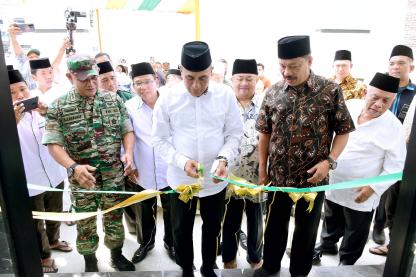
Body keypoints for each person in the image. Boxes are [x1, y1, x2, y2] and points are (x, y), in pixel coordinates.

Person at [254, 35, 355, 277]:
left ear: (309, 61)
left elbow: (343, 132)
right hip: (278, 178)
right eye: (282, 66)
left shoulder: (330, 90)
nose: (287, 72)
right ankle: (270, 266)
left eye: (293, 66)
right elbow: (264, 134)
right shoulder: (272, 92)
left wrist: (329, 162)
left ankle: (300, 271)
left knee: (306, 229)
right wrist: (262, 171)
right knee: (275, 226)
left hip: (313, 179)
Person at [152, 41, 243, 277]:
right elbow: (159, 139)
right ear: (181, 70)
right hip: (181, 179)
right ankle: (186, 268)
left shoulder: (225, 95)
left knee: (213, 227)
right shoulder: (167, 99)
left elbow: (234, 134)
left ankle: (208, 266)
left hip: (215, 178)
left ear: (211, 71)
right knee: (181, 229)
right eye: (190, 77)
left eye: (203, 78)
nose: (196, 85)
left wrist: (223, 158)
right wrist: (182, 161)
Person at [42, 55, 135, 272]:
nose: (91, 83)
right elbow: (53, 144)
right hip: (83, 179)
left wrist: (128, 152)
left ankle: (116, 255)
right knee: (85, 222)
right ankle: (90, 260)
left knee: (114, 217)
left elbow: (126, 129)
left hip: (113, 175)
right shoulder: (59, 107)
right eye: (84, 79)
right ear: (70, 77)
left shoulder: (113, 100)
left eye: (94, 78)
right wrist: (73, 167)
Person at [315, 72, 406, 265]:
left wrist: (374, 188)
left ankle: (347, 261)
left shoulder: (393, 127)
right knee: (331, 218)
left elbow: (396, 166)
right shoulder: (350, 106)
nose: (379, 104)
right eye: (375, 97)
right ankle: (327, 245)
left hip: (363, 190)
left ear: (393, 100)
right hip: (335, 182)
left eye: (386, 101)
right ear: (365, 92)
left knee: (355, 229)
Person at [8, 69, 71, 273]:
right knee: (37, 223)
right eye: (12, 92)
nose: (20, 96)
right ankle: (43, 256)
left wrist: (46, 112)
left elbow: (61, 131)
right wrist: (10, 124)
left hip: (54, 174)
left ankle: (53, 241)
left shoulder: (42, 108)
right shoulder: (6, 119)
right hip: (30, 180)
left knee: (56, 213)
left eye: (22, 89)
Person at [125, 62, 175, 264]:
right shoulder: (129, 107)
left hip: (170, 167)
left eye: (147, 81)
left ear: (156, 80)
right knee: (145, 211)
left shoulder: (171, 102)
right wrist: (128, 161)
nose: (143, 87)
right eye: (138, 83)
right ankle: (146, 243)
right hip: (142, 167)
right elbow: (126, 135)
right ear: (133, 85)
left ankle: (170, 243)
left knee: (172, 210)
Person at [371, 44, 416, 254]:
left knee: (393, 194)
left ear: (411, 67)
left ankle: (385, 230)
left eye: (401, 63)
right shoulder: (381, 89)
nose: (395, 67)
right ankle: (377, 225)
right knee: (374, 186)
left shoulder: (413, 95)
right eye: (392, 63)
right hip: (376, 147)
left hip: (402, 153)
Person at [222, 59, 264, 269]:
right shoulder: (223, 104)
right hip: (230, 174)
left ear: (257, 80)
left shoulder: (266, 104)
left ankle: (255, 257)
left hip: (258, 174)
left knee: (256, 218)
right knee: (230, 217)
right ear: (232, 80)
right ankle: (229, 256)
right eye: (240, 78)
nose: (244, 83)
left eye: (249, 78)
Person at [7, 24, 70, 90]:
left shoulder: (46, 72)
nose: (34, 58)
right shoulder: (25, 68)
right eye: (31, 57)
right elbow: (19, 54)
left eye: (36, 57)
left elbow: (54, 65)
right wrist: (13, 37)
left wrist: (63, 48)